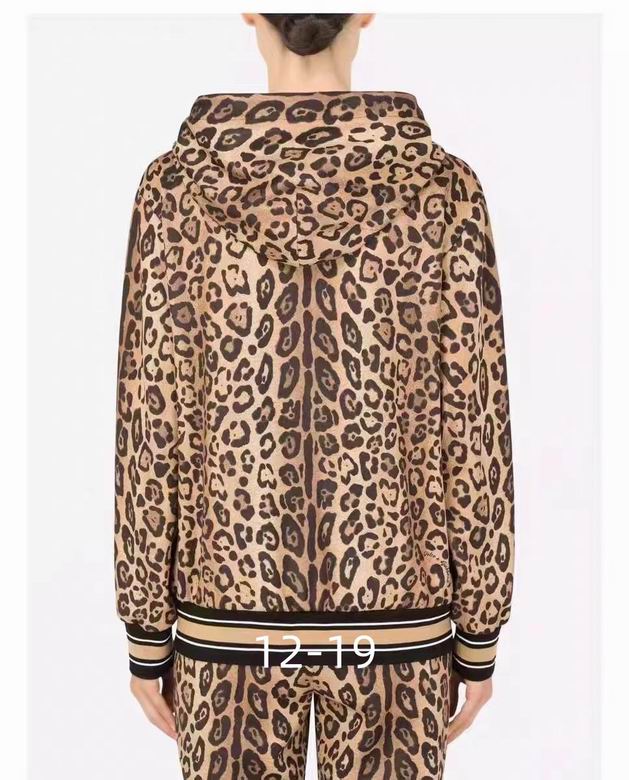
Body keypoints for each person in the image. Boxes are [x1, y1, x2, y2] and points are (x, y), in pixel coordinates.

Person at [114, 12, 515, 779]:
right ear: (363, 12)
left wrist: (145, 629)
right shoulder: (442, 189)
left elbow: (149, 416)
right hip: (394, 627)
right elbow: (476, 417)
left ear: (250, 10)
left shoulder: (174, 189)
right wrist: (479, 630)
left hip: (227, 625)